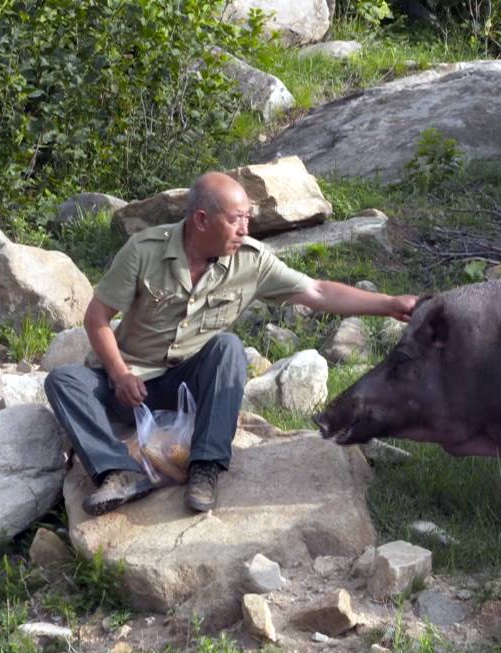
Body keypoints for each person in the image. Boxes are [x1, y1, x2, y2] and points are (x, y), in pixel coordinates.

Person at [45, 171, 417, 516]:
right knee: (63, 381)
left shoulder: (251, 262)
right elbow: (97, 318)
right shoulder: (144, 251)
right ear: (202, 220)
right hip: (127, 387)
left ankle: (205, 469)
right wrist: (120, 373)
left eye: (248, 218)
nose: (245, 228)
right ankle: (120, 473)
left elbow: (318, 291)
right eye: (236, 218)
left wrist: (389, 304)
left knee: (227, 347)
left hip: (185, 385)